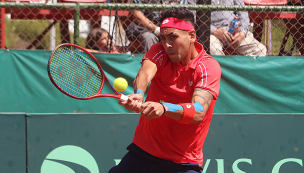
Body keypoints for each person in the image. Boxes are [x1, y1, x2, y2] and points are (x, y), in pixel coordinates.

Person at [109, 7, 221, 173]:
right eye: (162, 38)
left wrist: (164, 108)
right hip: (143, 154)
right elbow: (145, 73)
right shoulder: (159, 51)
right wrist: (140, 94)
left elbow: (198, 111)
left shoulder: (208, 67)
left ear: (191, 36)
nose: (167, 45)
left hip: (183, 162)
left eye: (173, 37)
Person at [119, 0, 195, 54]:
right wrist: (156, 29)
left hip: (176, 29)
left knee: (181, 37)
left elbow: (187, 17)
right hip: (151, 29)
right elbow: (136, 14)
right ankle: (151, 68)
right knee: (148, 38)